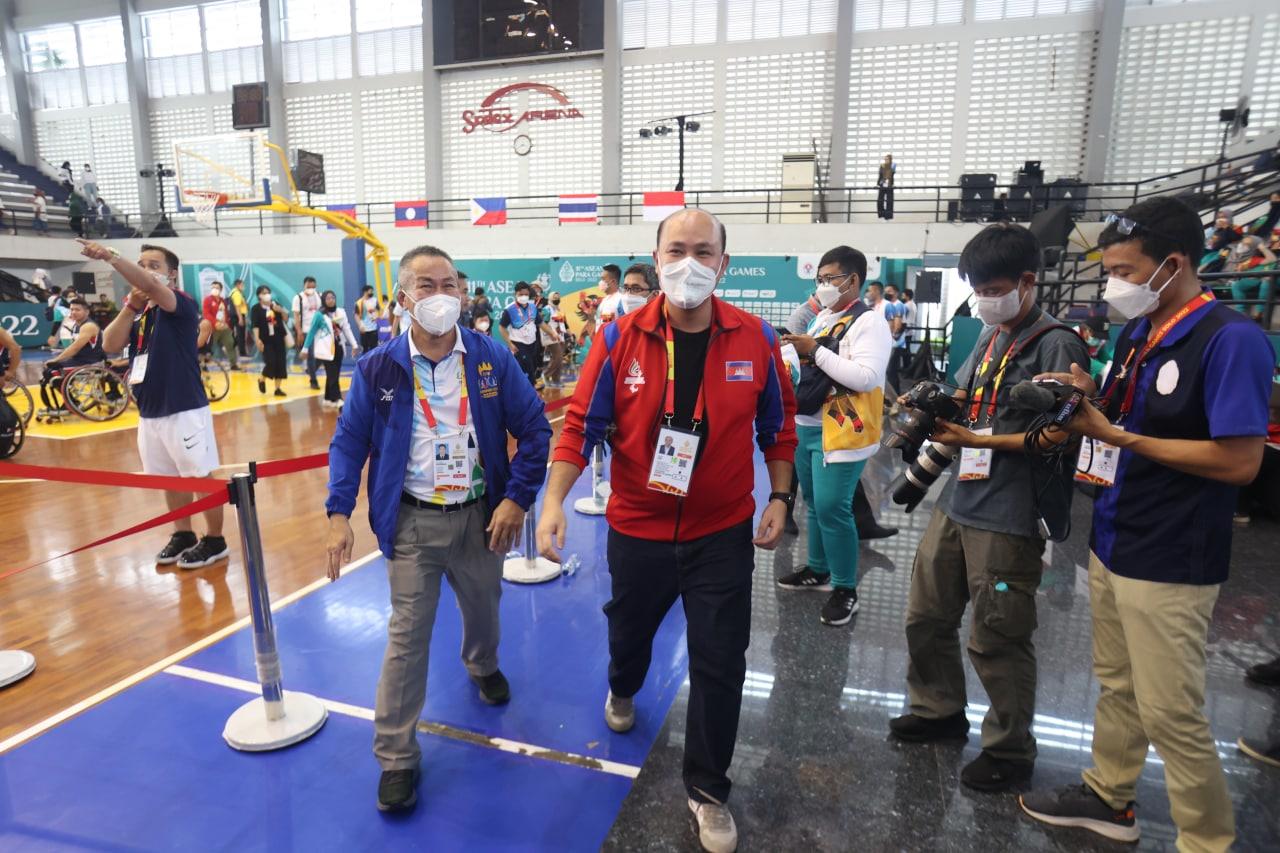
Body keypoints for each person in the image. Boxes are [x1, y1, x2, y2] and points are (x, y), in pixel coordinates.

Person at [536, 209, 797, 853]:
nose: (689, 263)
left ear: (723, 264)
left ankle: (708, 790)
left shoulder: (756, 339)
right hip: (638, 528)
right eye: (676, 250)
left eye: (703, 251)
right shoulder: (619, 338)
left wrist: (780, 495)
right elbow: (580, 425)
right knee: (629, 633)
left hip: (722, 532)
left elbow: (778, 426)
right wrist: (553, 501)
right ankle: (623, 685)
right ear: (657, 260)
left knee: (721, 662)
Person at [1020, 197, 1276, 851]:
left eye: (1125, 271)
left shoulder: (1231, 340)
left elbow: (1241, 461)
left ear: (1174, 264)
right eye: (1109, 270)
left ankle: (1206, 840)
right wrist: (1090, 395)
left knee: (1171, 711)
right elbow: (1131, 415)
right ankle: (1110, 795)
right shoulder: (1141, 333)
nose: (1115, 285)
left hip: (1173, 551)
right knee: (1119, 684)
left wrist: (1119, 437)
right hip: (1115, 534)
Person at [324, 244, 551, 814]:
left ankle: (482, 664)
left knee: (485, 610)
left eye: (450, 284)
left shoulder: (491, 358)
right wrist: (338, 513)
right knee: (407, 638)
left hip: (481, 517)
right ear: (403, 299)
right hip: (412, 522)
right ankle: (396, 757)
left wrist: (517, 499)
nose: (441, 295)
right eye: (426, 285)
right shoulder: (378, 367)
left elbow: (535, 430)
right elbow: (349, 441)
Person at [891, 223, 1089, 792]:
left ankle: (1009, 748)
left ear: (1028, 282)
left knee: (998, 635)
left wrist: (980, 440)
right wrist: (930, 403)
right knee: (926, 615)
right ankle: (937, 709)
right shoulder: (991, 332)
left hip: (1010, 513)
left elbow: (1063, 435)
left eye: (994, 289)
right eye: (977, 289)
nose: (984, 300)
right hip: (959, 498)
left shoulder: (1057, 344)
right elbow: (967, 395)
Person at [85, 239, 228, 569]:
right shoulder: (140, 314)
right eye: (142, 264)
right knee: (169, 477)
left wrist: (109, 256)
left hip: (184, 407)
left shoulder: (180, 304)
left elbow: (150, 285)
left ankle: (215, 540)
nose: (146, 271)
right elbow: (109, 343)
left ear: (171, 274)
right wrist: (130, 307)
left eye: (154, 265)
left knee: (200, 476)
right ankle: (183, 534)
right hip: (150, 411)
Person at [777, 246, 891, 626]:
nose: (823, 285)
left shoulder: (869, 322)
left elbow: (866, 377)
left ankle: (845, 588)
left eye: (831, 278)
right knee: (812, 503)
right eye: (820, 279)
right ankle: (817, 568)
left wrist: (814, 351)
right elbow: (808, 365)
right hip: (807, 424)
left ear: (853, 280)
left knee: (832, 508)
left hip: (843, 429)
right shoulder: (822, 318)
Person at [39, 298, 104, 413]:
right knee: (48, 371)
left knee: (53, 372)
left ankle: (71, 402)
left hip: (91, 362)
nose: (73, 312)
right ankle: (71, 401)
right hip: (79, 361)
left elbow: (75, 348)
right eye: (72, 309)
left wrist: (56, 359)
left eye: (77, 310)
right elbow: (73, 348)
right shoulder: (75, 325)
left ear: (87, 312)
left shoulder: (88, 326)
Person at [301, 289, 359, 410]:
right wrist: (305, 349)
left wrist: (354, 345)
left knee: (334, 374)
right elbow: (311, 332)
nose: (331, 300)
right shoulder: (319, 315)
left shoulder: (340, 312)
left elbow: (346, 329)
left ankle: (328, 399)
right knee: (332, 374)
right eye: (328, 298)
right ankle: (338, 399)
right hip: (326, 350)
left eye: (333, 297)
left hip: (339, 347)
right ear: (323, 300)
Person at [1223, 234, 1277, 320]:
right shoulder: (1235, 254)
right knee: (1236, 285)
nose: (1242, 245)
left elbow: (1272, 259)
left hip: (1263, 278)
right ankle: (1241, 313)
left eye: (1247, 244)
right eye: (1243, 242)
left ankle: (1259, 312)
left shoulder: (1254, 258)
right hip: (1250, 278)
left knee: (1266, 282)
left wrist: (1262, 247)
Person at [499, 282, 540, 387]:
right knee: (527, 367)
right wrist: (510, 344)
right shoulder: (509, 309)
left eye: (526, 294)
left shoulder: (533, 307)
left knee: (531, 367)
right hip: (518, 344)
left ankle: (527, 387)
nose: (524, 297)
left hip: (532, 342)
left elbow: (541, 322)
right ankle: (529, 389)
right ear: (515, 294)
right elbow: (502, 327)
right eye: (521, 294)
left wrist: (552, 333)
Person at [250, 286, 289, 397]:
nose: (267, 295)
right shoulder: (256, 309)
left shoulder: (275, 305)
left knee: (281, 362)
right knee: (271, 361)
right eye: (264, 293)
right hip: (265, 339)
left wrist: (281, 310)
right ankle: (262, 379)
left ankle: (277, 389)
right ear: (259, 296)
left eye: (268, 292)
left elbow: (286, 319)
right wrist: (257, 339)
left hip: (278, 337)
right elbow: (255, 325)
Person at [291, 276, 323, 389]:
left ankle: (310, 370)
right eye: (308, 287)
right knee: (311, 355)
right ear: (304, 286)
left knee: (322, 354)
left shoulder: (319, 295)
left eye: (313, 287)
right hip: (306, 330)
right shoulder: (298, 298)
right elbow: (296, 316)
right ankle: (313, 381)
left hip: (319, 330)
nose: (311, 289)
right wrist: (299, 331)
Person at [201, 281, 238, 371]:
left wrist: (227, 325)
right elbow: (206, 314)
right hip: (212, 328)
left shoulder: (223, 300)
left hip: (224, 327)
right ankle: (202, 364)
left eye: (217, 288)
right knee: (208, 347)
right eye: (213, 287)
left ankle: (233, 364)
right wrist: (215, 323)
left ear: (221, 289)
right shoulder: (207, 300)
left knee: (230, 343)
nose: (214, 289)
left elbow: (225, 314)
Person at [882, 284, 908, 393]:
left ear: (896, 293)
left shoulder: (899, 305)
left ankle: (896, 397)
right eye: (886, 291)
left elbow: (897, 326)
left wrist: (890, 337)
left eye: (890, 291)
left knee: (891, 372)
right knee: (888, 372)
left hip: (896, 344)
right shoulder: (887, 305)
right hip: (888, 344)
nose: (887, 293)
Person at [541, 291, 569, 388]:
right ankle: (546, 374)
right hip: (550, 336)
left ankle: (556, 379)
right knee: (558, 356)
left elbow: (564, 323)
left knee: (559, 358)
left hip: (560, 336)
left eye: (558, 297)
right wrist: (552, 333)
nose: (557, 299)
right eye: (554, 297)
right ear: (550, 298)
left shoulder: (559, 309)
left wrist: (568, 333)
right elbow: (543, 324)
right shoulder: (546, 309)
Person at [355, 285, 381, 352]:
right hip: (364, 329)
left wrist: (376, 316)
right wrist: (360, 326)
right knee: (365, 349)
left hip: (373, 328)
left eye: (372, 291)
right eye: (370, 291)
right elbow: (356, 315)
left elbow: (379, 310)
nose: (372, 292)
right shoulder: (359, 302)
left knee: (374, 348)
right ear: (365, 292)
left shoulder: (375, 300)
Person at [228, 279, 249, 358]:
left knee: (239, 334)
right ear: (237, 285)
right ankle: (242, 353)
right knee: (241, 334)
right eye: (242, 285)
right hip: (238, 315)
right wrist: (240, 318)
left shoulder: (235, 292)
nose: (243, 286)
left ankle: (230, 346)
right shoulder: (236, 293)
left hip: (237, 315)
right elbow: (237, 307)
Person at [877, 154, 895, 220]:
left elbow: (891, 173)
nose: (885, 160)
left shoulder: (893, 165)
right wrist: (878, 183)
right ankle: (881, 214)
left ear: (890, 159)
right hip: (882, 184)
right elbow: (880, 175)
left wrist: (886, 168)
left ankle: (888, 216)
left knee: (889, 201)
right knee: (880, 200)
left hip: (889, 185)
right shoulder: (882, 165)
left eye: (887, 159)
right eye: (885, 159)